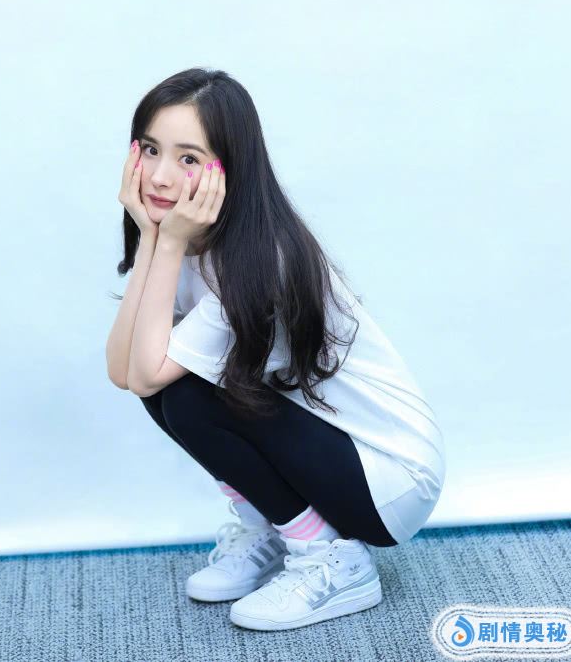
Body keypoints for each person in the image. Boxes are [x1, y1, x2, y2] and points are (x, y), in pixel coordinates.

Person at [105, 67, 445, 632]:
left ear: (229, 169)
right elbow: (124, 371)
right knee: (167, 387)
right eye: (150, 149)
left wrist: (166, 241)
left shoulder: (260, 262)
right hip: (333, 455)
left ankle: (330, 560)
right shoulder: (187, 240)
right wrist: (153, 236)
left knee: (185, 394)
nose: (160, 176)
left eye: (189, 158)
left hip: (389, 477)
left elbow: (142, 373)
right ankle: (272, 527)